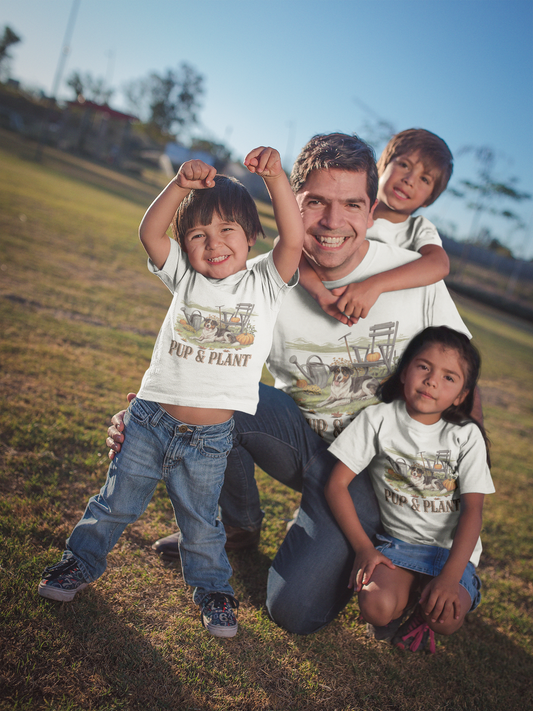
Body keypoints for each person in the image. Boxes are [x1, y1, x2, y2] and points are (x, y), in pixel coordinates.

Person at [108, 132, 480, 636]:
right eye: (315, 203)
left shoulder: (413, 279)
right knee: (227, 402)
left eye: (350, 204)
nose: (331, 222)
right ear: (291, 204)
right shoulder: (255, 281)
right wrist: (144, 413)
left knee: (293, 610)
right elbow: (197, 359)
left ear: (371, 212)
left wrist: (456, 494)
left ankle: (372, 549)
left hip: (371, 474)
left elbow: (466, 392)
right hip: (304, 441)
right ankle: (237, 525)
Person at [38, 146, 304, 639]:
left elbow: (294, 236)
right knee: (114, 503)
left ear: (251, 237)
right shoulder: (185, 275)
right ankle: (77, 563)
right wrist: (180, 184)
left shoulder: (265, 282)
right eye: (198, 235)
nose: (214, 243)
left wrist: (276, 181)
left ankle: (213, 593)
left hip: (209, 439)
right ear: (185, 244)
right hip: (149, 422)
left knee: (201, 524)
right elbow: (149, 232)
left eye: (227, 230)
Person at [325, 326, 493, 653]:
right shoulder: (378, 419)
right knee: (377, 607)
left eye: (449, 377)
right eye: (424, 366)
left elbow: (473, 511)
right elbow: (336, 485)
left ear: (461, 395)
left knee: (446, 618)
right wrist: (364, 548)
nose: (432, 380)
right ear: (405, 372)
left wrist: (449, 576)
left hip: (450, 553)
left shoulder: (466, 436)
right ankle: (404, 597)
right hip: (399, 546)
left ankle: (424, 606)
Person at [298, 128, 452, 326]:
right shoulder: (344, 217)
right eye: (404, 165)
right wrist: (321, 295)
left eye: (425, 179)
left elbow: (439, 264)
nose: (409, 180)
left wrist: (373, 286)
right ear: (383, 165)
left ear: (429, 199)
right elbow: (291, 248)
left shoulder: (417, 228)